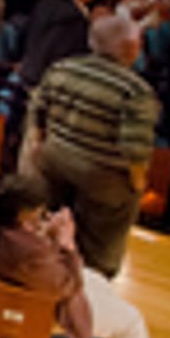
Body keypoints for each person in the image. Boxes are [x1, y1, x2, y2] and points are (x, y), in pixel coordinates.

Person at [0, 175, 154, 338]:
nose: (42, 217)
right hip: (49, 306)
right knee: (132, 322)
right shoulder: (30, 253)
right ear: (22, 214)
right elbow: (68, 285)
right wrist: (67, 242)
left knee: (102, 284)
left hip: (32, 288)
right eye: (39, 213)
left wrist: (47, 235)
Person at [27, 14, 159, 277]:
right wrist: (138, 182)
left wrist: (38, 148)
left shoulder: (62, 68)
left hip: (54, 160)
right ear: (132, 48)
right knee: (103, 243)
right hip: (102, 175)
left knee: (48, 223)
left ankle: (44, 276)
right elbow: (135, 149)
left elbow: (37, 112)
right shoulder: (135, 91)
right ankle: (93, 282)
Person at [19, 0, 94, 88]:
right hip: (52, 81)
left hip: (28, 72)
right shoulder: (74, 17)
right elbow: (77, 56)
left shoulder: (42, 6)